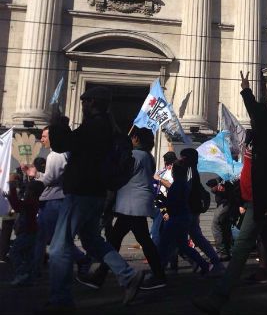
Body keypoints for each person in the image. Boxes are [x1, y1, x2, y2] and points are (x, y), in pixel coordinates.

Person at [194, 72, 267, 314]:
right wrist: (245, 90)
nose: (251, 124)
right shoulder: (265, 140)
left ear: (261, 124)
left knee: (241, 248)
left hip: (262, 205)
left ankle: (219, 297)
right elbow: (256, 110)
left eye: (255, 121)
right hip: (257, 203)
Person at [42, 87, 143, 312]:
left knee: (59, 247)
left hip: (81, 193)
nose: (83, 105)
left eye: (84, 101)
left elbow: (63, 144)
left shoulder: (95, 127)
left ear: (92, 102)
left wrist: (59, 124)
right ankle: (127, 276)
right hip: (95, 194)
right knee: (92, 241)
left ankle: (60, 299)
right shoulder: (106, 127)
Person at [79, 127, 166, 290]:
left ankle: (102, 276)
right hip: (135, 204)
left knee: (122, 240)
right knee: (126, 240)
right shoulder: (148, 156)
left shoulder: (136, 156)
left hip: (132, 204)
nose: (130, 141)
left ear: (136, 139)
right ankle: (101, 276)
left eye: (132, 138)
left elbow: (122, 173)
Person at [23, 127, 89, 278]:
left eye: (45, 136)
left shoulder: (55, 155)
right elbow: (52, 177)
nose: (42, 139)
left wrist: (35, 179)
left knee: (50, 239)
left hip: (53, 201)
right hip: (56, 200)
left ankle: (37, 269)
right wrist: (36, 174)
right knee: (54, 238)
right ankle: (79, 259)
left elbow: (49, 180)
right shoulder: (62, 154)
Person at [157, 161, 210, 273]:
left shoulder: (177, 185)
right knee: (183, 245)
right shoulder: (184, 184)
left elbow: (174, 202)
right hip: (183, 217)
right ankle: (204, 265)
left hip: (176, 218)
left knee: (164, 244)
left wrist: (163, 202)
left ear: (174, 173)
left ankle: (158, 272)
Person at [180, 148, 225, 277]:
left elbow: (188, 191)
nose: (180, 160)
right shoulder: (192, 171)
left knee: (181, 240)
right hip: (192, 210)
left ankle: (205, 263)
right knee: (196, 237)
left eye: (183, 157)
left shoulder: (189, 172)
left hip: (188, 210)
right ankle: (211, 263)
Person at [5, 173, 44, 285]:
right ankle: (29, 276)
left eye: (28, 190)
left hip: (27, 232)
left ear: (31, 192)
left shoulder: (30, 202)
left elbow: (17, 206)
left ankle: (21, 273)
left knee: (14, 252)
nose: (26, 192)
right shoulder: (33, 202)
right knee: (27, 255)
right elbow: (19, 205)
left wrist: (12, 187)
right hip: (31, 232)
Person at [208, 175, 238, 261]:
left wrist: (222, 188)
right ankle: (228, 251)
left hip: (227, 203)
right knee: (224, 226)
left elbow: (231, 191)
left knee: (216, 225)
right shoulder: (223, 177)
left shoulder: (229, 178)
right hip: (226, 202)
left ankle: (223, 252)